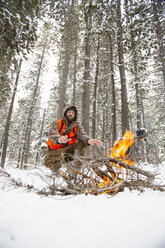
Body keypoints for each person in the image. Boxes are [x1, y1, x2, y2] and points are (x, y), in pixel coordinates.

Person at [43, 106, 102, 173]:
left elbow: (82, 135)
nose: (71, 114)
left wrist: (88, 140)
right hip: (55, 152)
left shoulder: (77, 126)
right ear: (65, 113)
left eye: (73, 113)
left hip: (68, 152)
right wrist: (59, 139)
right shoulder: (57, 123)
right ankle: (56, 172)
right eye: (69, 112)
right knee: (56, 168)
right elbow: (52, 135)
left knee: (83, 143)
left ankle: (74, 172)